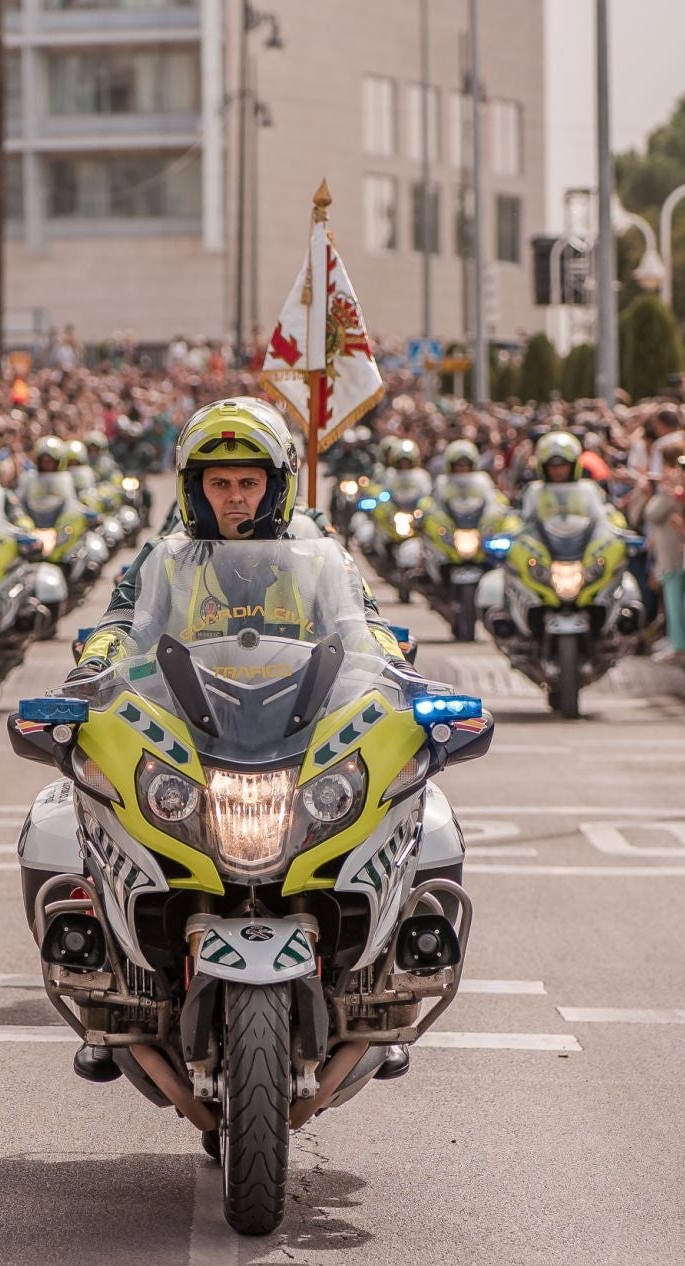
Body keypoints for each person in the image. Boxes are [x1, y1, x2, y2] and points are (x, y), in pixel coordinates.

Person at [64, 396, 419, 1082]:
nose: (234, 496)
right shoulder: (164, 560)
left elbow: (362, 630)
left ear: (276, 484)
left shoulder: (321, 558)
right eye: (218, 483)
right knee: (69, 807)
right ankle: (103, 981)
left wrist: (402, 676)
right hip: (194, 733)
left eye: (248, 481)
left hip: (297, 730)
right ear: (193, 488)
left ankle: (388, 979)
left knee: (424, 813)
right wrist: (90, 672)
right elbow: (120, 626)